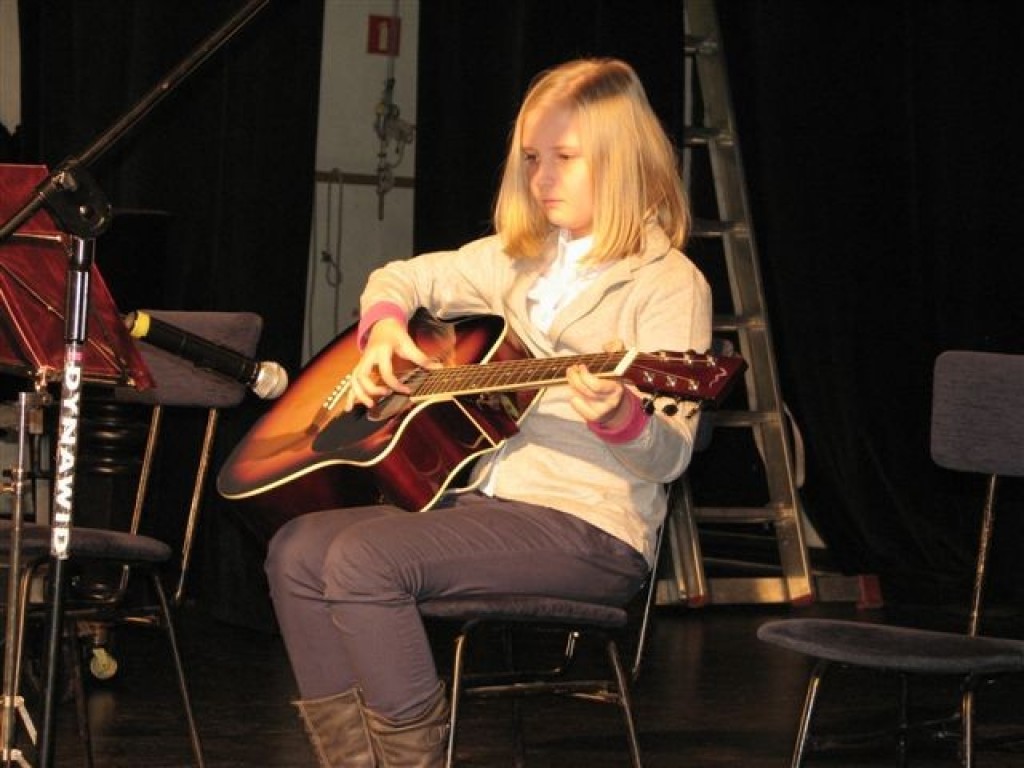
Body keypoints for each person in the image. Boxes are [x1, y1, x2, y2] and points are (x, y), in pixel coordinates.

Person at [265, 57, 712, 767]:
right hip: (483, 507)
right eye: (532, 158)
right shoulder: (517, 259)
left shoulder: (667, 284)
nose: (542, 178)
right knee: (296, 551)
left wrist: (619, 419)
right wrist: (383, 328)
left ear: (622, 159)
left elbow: (671, 455)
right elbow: (399, 276)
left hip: (592, 529)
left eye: (566, 158)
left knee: (362, 559)